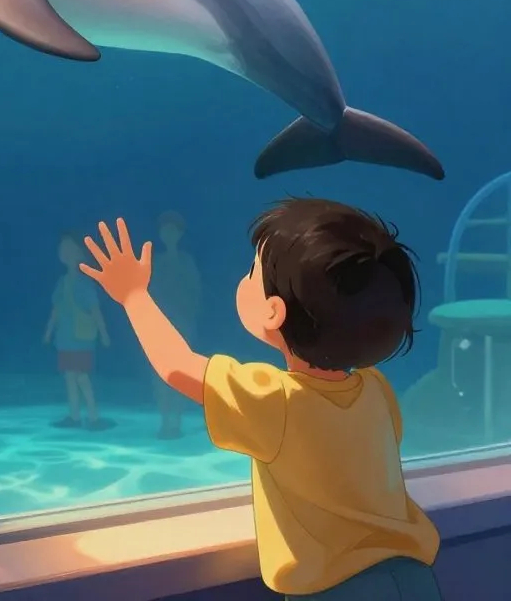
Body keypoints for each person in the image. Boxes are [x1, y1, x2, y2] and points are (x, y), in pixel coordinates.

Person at [80, 200, 443, 601]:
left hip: (338, 590)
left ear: (273, 312)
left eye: (252, 271)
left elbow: (177, 367)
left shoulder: (276, 400)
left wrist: (133, 295)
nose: (245, 278)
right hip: (414, 578)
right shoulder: (378, 389)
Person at [43, 231, 113, 431]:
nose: (65, 253)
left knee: (81, 376)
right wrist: (49, 331)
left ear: (80, 253)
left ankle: (93, 417)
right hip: (65, 338)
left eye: (70, 249)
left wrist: (104, 333)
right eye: (63, 249)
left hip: (81, 339)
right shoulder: (63, 282)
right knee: (70, 377)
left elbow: (95, 310)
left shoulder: (84, 283)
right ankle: (74, 416)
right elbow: (56, 310)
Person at [147, 211, 201, 438]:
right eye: (165, 229)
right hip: (158, 324)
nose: (168, 233)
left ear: (180, 233)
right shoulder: (155, 261)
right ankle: (164, 419)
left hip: (182, 324)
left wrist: (188, 317)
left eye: (173, 230)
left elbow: (196, 293)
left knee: (179, 373)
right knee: (159, 373)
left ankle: (176, 421)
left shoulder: (187, 261)